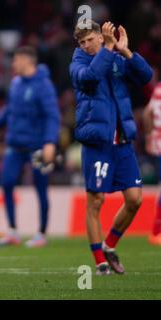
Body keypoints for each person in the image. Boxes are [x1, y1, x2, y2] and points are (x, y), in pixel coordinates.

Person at [70, 20, 152, 275]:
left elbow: (146, 77)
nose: (85, 45)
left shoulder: (115, 58)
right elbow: (91, 78)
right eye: (81, 42)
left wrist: (126, 51)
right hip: (98, 143)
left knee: (134, 199)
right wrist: (107, 49)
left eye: (89, 39)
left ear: (99, 36)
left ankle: (109, 245)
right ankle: (99, 261)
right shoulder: (78, 64)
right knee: (96, 200)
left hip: (123, 142)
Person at [0, 46, 60, 248]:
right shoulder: (16, 83)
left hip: (38, 146)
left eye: (16, 60)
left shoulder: (44, 85)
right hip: (15, 144)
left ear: (27, 61)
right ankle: (12, 231)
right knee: (7, 182)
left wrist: (50, 142)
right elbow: (8, 110)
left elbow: (52, 116)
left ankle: (41, 233)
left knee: (41, 187)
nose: (13, 65)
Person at [143, 80, 161, 245]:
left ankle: (156, 231)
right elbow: (147, 114)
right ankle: (156, 231)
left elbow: (147, 113)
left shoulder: (158, 89)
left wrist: (149, 137)